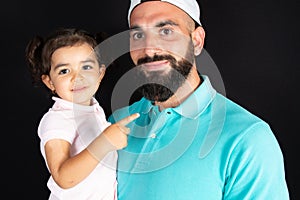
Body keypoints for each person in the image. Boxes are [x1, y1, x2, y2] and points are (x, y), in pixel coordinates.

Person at [108, 0, 290, 199]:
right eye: (138, 35)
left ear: (196, 41)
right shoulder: (115, 122)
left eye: (166, 31)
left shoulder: (247, 138)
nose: (149, 50)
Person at [25, 28, 139, 200]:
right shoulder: (57, 119)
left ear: (100, 74)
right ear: (49, 82)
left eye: (86, 67)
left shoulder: (93, 110)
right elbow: (63, 177)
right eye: (64, 71)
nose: (77, 77)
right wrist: (104, 142)